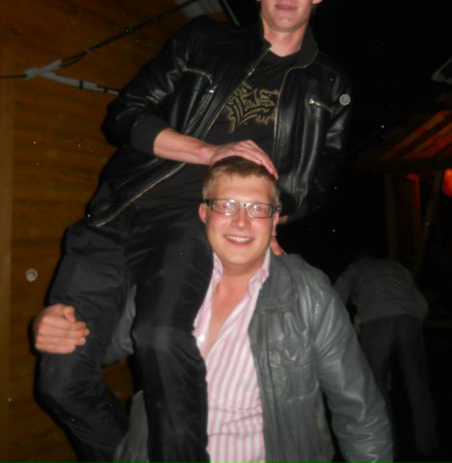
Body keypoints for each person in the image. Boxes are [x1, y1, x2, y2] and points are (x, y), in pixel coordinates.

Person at [34, 0, 352, 463]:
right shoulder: (204, 40)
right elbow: (125, 115)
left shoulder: (329, 84)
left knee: (161, 335)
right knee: (60, 379)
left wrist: (272, 221)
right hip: (114, 212)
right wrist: (209, 151)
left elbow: (319, 177)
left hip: (188, 223)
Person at [37, 157, 392, 463]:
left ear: (274, 221)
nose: (241, 221)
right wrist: (59, 325)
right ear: (203, 214)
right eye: (226, 205)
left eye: (257, 209)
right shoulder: (165, 279)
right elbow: (106, 346)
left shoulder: (307, 292)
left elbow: (360, 412)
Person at [334, 254, 438, 458]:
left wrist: (353, 326)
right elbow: (421, 303)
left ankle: (387, 449)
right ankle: (428, 446)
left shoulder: (353, 269)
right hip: (408, 319)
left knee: (377, 390)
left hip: (374, 322)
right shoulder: (396, 266)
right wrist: (415, 319)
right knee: (418, 386)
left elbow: (335, 298)